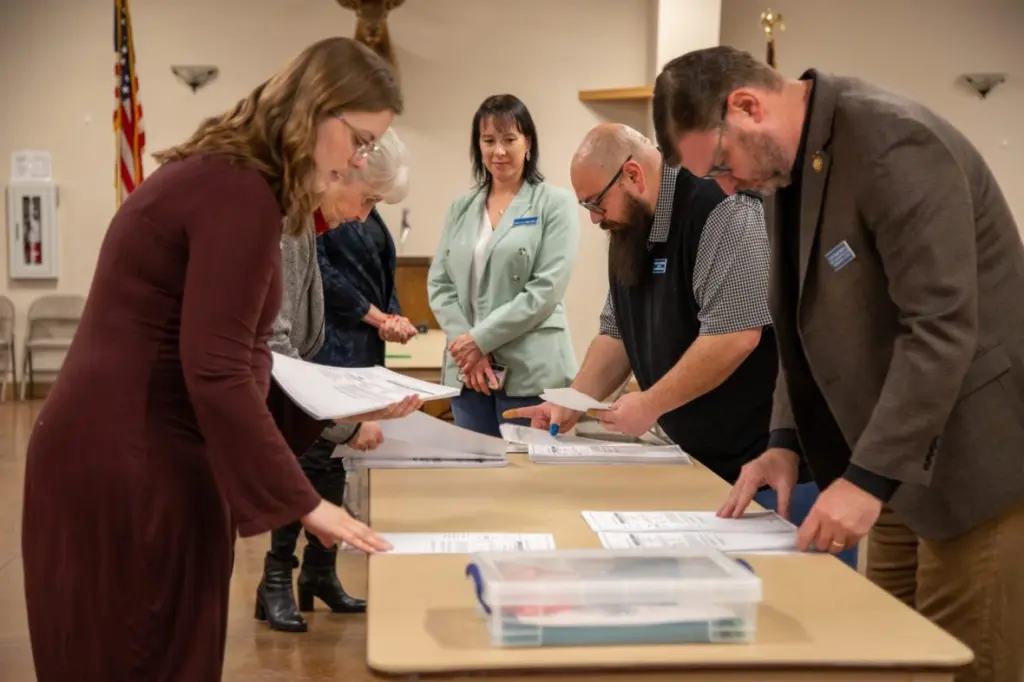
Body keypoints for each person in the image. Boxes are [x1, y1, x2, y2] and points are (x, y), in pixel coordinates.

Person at [21, 38, 413, 682]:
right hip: (133, 461)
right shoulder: (238, 190)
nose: (360, 160)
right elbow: (217, 366)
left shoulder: (234, 178)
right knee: (141, 652)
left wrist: (333, 412)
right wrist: (304, 501)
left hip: (145, 448)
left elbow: (235, 354)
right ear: (319, 111)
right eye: (362, 140)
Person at [653, 45, 1024, 682]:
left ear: (747, 106)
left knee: (962, 663)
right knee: (880, 653)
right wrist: (783, 440)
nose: (726, 185)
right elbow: (806, 327)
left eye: (721, 163)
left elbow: (939, 328)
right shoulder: (783, 174)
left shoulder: (891, 144)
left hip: (972, 462)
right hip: (897, 456)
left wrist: (867, 479)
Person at [510, 124, 855, 568]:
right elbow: (617, 333)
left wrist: (651, 403)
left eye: (596, 203)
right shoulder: (629, 229)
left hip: (774, 466)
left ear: (633, 175)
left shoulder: (720, 211)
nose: (594, 218)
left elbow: (735, 335)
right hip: (701, 467)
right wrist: (575, 401)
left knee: (799, 604)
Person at [256, 129, 419, 633]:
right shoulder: (289, 223)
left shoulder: (318, 219)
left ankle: (319, 576)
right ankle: (277, 580)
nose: (365, 214)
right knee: (301, 464)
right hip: (310, 368)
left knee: (329, 470)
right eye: (366, 198)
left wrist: (389, 316)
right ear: (343, 167)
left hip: (335, 361)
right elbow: (277, 346)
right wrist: (345, 426)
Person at [427, 94, 580, 436]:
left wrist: (480, 340)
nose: (499, 151)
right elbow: (439, 284)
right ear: (478, 147)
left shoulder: (555, 203)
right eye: (489, 140)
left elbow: (545, 289)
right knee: (473, 479)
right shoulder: (461, 207)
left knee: (528, 482)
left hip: (532, 370)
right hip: (468, 373)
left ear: (528, 143)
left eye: (509, 139)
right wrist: (468, 347)